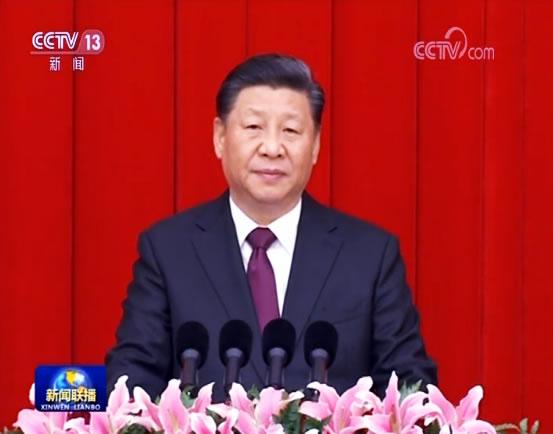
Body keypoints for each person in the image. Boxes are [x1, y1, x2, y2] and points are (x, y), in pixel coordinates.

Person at [105, 53, 437, 400]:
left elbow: (412, 389)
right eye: (254, 128)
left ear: (316, 145)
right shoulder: (168, 250)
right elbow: (129, 382)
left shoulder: (369, 255)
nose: (272, 148)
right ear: (220, 137)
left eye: (290, 131)